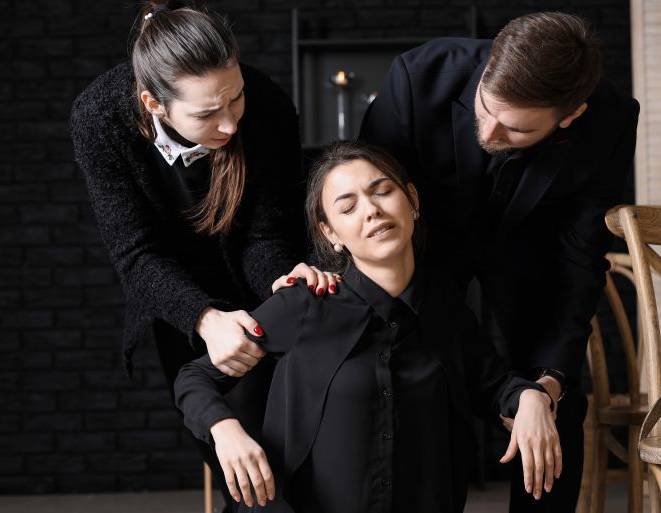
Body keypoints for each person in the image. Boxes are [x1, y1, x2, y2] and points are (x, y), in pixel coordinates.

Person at [174, 141, 562, 513]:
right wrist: (225, 431)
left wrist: (531, 398)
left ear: (412, 201)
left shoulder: (443, 302)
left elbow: (492, 383)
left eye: (382, 192)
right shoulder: (305, 303)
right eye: (348, 207)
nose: (371, 211)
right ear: (330, 234)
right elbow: (194, 378)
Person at [358, 11, 640, 512]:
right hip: (423, 245)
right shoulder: (416, 76)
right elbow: (366, 201)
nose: (488, 130)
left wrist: (548, 383)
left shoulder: (611, 120)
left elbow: (580, 257)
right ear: (488, 69)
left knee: (559, 397)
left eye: (514, 129)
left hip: (532, 248)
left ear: (569, 116)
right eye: (486, 109)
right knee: (412, 382)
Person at [69, 2, 336, 511]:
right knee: (240, 461)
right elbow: (136, 252)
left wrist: (285, 278)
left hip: (263, 285)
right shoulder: (99, 116)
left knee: (297, 456)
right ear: (153, 103)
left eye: (235, 99)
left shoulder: (268, 105)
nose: (231, 124)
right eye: (207, 113)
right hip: (178, 299)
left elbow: (264, 236)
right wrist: (206, 319)